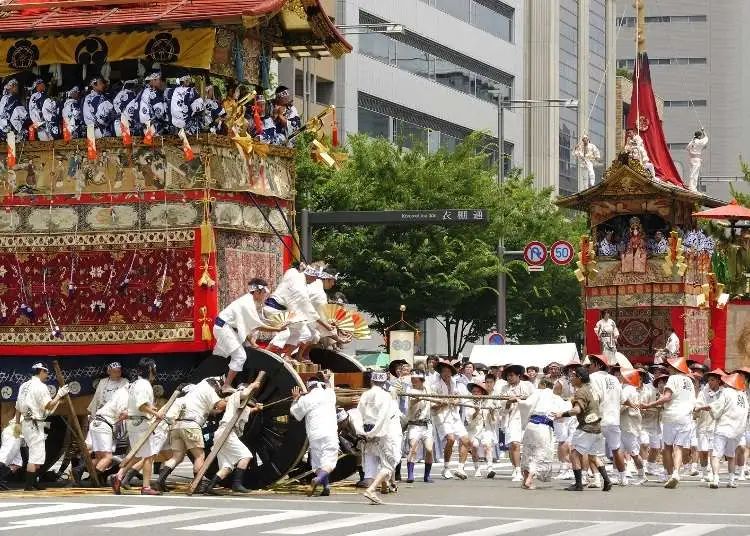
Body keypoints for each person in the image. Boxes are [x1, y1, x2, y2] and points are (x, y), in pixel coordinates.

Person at [215, 279, 286, 393]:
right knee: (240, 356)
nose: (264, 296)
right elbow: (257, 326)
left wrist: (252, 343)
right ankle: (226, 385)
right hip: (224, 328)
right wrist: (278, 329)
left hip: (231, 329)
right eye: (263, 293)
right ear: (257, 292)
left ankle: (238, 379)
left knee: (246, 349)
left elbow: (246, 326)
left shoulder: (250, 301)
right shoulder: (247, 304)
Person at [157, 377, 226, 492]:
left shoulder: (193, 391)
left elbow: (212, 411)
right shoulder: (208, 389)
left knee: (177, 457)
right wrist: (232, 399)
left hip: (177, 426)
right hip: (191, 426)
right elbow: (221, 405)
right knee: (199, 456)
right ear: (215, 386)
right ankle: (197, 484)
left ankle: (160, 481)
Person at [637, 357, 696, 489]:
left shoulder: (673, 379)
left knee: (667, 448)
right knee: (679, 447)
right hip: (686, 417)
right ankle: (675, 472)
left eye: (670, 367)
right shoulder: (690, 382)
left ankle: (670, 475)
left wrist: (648, 405)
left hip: (671, 416)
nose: (668, 369)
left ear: (675, 369)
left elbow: (667, 397)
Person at [552, 366, 612, 492]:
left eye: (573, 376)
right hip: (597, 427)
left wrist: (561, 414)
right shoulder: (592, 389)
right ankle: (606, 480)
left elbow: (577, 410)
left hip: (586, 427)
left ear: (579, 378)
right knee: (593, 456)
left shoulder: (581, 391)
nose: (571, 379)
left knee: (574, 454)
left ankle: (578, 484)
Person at [112, 358, 163, 495]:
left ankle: (119, 475)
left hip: (134, 422)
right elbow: (141, 406)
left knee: (137, 454)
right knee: (148, 456)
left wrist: (151, 408)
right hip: (140, 423)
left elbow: (140, 404)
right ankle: (146, 487)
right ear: (151, 370)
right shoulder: (143, 384)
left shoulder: (135, 384)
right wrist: (155, 413)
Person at [15, 362, 69, 490]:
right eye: (46, 372)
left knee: (38, 455)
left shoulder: (24, 385)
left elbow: (17, 407)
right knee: (34, 457)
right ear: (41, 371)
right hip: (34, 424)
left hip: (26, 423)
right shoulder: (40, 386)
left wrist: (17, 426)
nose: (47, 375)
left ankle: (34, 482)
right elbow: (48, 405)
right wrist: (59, 394)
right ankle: (28, 486)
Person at [204, 379, 263, 494]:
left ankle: (210, 487)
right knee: (246, 456)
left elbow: (247, 411)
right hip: (227, 432)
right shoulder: (236, 395)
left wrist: (256, 409)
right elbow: (244, 394)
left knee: (227, 466)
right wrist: (252, 385)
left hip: (222, 433)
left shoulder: (240, 405)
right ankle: (237, 484)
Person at [696, 372, 748, 488]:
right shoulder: (743, 396)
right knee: (731, 456)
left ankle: (715, 479)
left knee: (716, 454)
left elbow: (715, 406)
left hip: (724, 427)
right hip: (737, 431)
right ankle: (731, 480)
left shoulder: (727, 392)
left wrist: (700, 408)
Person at [290, 373, 339, 497]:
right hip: (329, 433)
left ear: (308, 388)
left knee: (317, 463)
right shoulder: (329, 394)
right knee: (329, 461)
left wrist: (295, 398)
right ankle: (318, 480)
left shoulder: (305, 399)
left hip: (314, 435)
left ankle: (326, 487)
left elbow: (295, 413)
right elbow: (329, 388)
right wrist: (327, 380)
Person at [513, 376, 566, 489]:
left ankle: (525, 480)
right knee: (540, 454)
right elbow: (564, 412)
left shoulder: (537, 393)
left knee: (528, 453)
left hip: (530, 426)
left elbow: (526, 404)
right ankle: (530, 479)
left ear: (543, 385)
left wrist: (517, 400)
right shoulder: (556, 398)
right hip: (544, 427)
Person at [358, 371, 401, 504]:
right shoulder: (386, 396)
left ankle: (383, 485)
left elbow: (359, 414)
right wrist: (374, 433)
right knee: (390, 462)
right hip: (383, 432)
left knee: (371, 463)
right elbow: (383, 418)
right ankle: (371, 489)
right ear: (384, 382)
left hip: (368, 430)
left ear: (372, 381)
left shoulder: (365, 394)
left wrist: (364, 432)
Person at [587, 355, 627, 486]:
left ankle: (597, 478)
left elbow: (594, 398)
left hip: (598, 418)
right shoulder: (614, 379)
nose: (589, 367)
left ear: (597, 365)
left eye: (591, 364)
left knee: (591, 449)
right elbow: (622, 399)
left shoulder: (592, 378)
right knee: (616, 448)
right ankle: (623, 477)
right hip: (614, 418)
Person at [431, 360, 471, 480]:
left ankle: (460, 468)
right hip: (441, 416)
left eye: (448, 371)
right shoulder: (435, 386)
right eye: (444, 371)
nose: (446, 373)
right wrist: (444, 403)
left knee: (466, 440)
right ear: (441, 372)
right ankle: (446, 467)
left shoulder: (455, 383)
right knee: (451, 439)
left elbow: (459, 399)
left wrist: (455, 401)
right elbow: (432, 405)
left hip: (454, 415)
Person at [500, 364, 534, 482]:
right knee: (514, 444)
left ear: (518, 375)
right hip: (512, 418)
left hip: (527, 417)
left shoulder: (528, 385)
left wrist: (518, 398)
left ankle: (527, 468)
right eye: (508, 376)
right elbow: (502, 409)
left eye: (512, 375)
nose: (509, 378)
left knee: (528, 445)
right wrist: (509, 402)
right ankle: (517, 469)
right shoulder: (504, 389)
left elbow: (533, 399)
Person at [88, 383, 129, 481]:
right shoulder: (125, 394)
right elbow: (122, 414)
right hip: (104, 424)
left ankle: (79, 470)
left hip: (97, 422)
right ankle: (94, 479)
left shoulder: (119, 392)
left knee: (99, 457)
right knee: (108, 457)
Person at [465, 382, 499, 479]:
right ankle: (477, 469)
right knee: (474, 446)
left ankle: (490, 469)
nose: (476, 393)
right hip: (474, 430)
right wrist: (476, 412)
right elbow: (469, 422)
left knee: (487, 446)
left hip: (486, 428)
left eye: (478, 391)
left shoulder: (489, 402)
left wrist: (492, 413)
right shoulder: (469, 403)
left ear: (483, 392)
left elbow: (494, 421)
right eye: (474, 392)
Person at [405, 371, 435, 483]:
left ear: (422, 381)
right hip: (414, 425)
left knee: (429, 449)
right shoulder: (410, 390)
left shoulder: (427, 389)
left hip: (427, 425)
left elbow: (433, 399)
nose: (413, 382)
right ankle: (410, 475)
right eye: (412, 380)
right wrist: (422, 398)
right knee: (413, 448)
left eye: (416, 380)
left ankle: (427, 476)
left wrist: (444, 401)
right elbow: (413, 400)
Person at [618, 368, 647, 485]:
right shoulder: (629, 389)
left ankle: (642, 475)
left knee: (634, 452)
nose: (620, 377)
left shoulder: (627, 389)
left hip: (628, 424)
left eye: (622, 376)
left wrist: (613, 413)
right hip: (626, 424)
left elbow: (622, 404)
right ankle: (622, 476)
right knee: (619, 450)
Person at [694, 368, 723, 482]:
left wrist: (706, 407)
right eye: (709, 380)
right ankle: (704, 472)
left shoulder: (723, 393)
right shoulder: (703, 392)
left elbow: (719, 407)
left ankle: (711, 472)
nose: (710, 382)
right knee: (703, 450)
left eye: (713, 380)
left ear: (718, 381)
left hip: (716, 426)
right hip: (703, 425)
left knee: (712, 451)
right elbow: (698, 406)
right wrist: (701, 407)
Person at [550, 362, 576, 480]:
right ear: (567, 371)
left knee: (573, 442)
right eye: (571, 370)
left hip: (574, 414)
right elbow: (553, 399)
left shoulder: (581, 382)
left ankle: (571, 467)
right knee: (562, 441)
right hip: (561, 414)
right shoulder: (560, 382)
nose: (573, 372)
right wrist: (557, 413)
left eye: (575, 369)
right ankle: (563, 467)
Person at [138, 71, 168, 135]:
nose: (160, 82)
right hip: (152, 126)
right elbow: (159, 110)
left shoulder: (141, 92)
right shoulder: (153, 92)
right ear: (153, 81)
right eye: (158, 80)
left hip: (142, 125)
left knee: (146, 144)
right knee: (156, 144)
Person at [0, 417, 23, 490]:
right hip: (13, 433)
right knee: (4, 458)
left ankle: (1, 481)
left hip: (17, 434)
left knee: (17, 463)